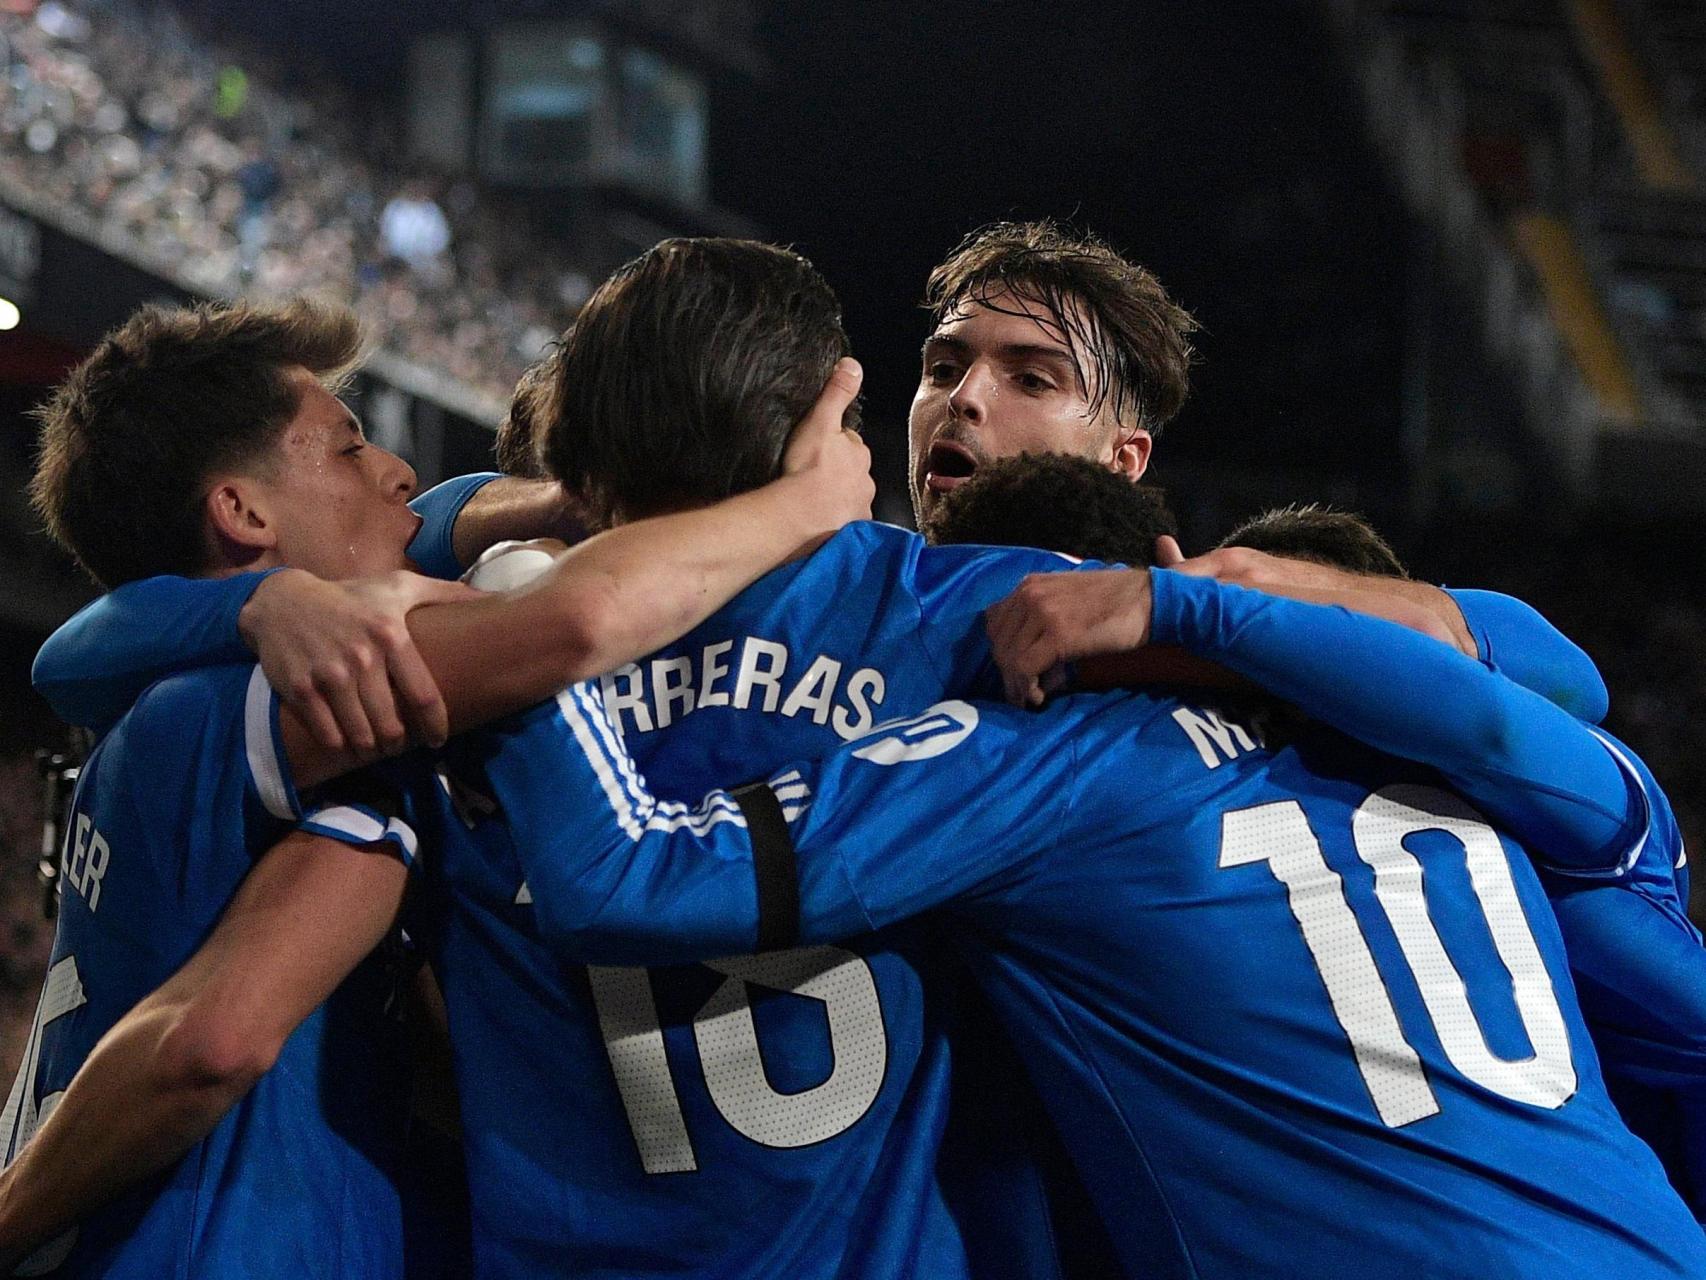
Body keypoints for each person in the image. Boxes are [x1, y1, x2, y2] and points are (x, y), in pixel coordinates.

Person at [457, 546, 1704, 1277]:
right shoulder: (1562, 799)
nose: (963, 399)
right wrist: (1226, 607)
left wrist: (508, 585)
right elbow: (1517, 671)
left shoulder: (1064, 761)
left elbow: (634, 874)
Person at [0, 294, 872, 1275]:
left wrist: (561, 498)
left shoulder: (191, 711)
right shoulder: (240, 710)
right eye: (346, 446)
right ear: (242, 512)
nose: (396, 470)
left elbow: (76, 654)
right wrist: (803, 507)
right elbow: (567, 625)